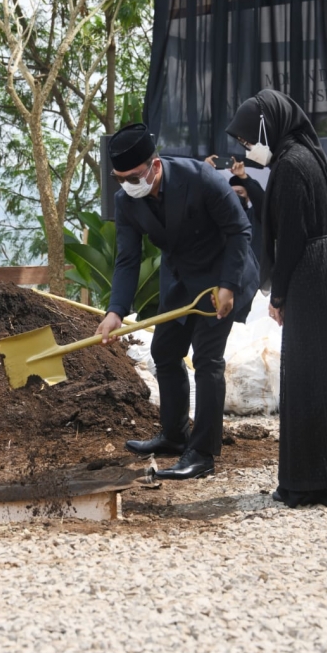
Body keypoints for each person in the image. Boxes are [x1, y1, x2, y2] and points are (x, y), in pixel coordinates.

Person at [96, 123, 259, 480]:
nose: (127, 184)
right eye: (119, 178)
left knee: (207, 359)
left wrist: (228, 286)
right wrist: (115, 311)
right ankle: (173, 435)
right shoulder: (127, 201)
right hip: (182, 279)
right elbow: (127, 258)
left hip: (222, 275)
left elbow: (238, 230)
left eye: (133, 176)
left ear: (155, 166)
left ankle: (202, 453)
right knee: (165, 352)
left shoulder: (201, 177)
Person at [225, 88, 327, 507]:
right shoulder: (311, 156)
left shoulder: (291, 164)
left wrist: (277, 294)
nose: (248, 148)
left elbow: (292, 237)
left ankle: (309, 481)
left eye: (249, 139)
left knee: (306, 379)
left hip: (309, 274)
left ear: (267, 127)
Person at [205, 155, 265, 261]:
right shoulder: (219, 217)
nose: (235, 196)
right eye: (232, 192)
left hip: (255, 272)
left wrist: (244, 177)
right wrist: (204, 170)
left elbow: (261, 200)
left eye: (239, 192)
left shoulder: (255, 216)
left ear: (248, 197)